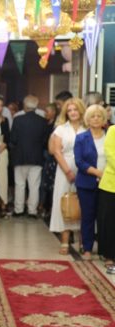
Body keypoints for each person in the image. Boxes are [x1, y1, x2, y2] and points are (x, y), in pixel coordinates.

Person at [49, 98, 86, 254]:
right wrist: (68, 172)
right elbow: (57, 152)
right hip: (65, 167)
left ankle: (83, 242)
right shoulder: (61, 129)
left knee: (83, 203)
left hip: (85, 168)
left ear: (81, 110)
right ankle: (64, 241)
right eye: (69, 110)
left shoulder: (87, 127)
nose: (72, 113)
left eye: (75, 109)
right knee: (65, 202)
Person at [74, 105, 107, 260]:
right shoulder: (81, 138)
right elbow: (79, 162)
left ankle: (104, 250)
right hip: (86, 183)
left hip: (107, 184)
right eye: (93, 116)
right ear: (87, 119)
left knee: (105, 218)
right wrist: (97, 173)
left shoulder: (110, 136)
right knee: (88, 217)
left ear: (104, 119)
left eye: (99, 116)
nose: (96, 119)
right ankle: (87, 248)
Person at [9, 95, 49, 217]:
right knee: (34, 186)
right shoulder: (43, 121)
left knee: (19, 185)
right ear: (36, 106)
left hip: (20, 157)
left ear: (25, 106)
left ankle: (19, 210)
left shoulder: (17, 120)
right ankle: (32, 211)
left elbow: (13, 139)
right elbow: (45, 141)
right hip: (37, 158)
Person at [98, 125, 115, 273]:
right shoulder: (112, 130)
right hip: (111, 185)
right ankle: (109, 255)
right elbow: (110, 154)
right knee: (110, 222)